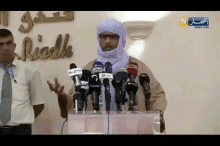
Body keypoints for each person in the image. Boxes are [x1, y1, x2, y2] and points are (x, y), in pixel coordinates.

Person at [47, 19, 167, 129]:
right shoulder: (90, 69)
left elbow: (157, 95)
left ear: (121, 39)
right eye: (103, 37)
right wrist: (62, 97)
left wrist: (155, 117)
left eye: (113, 37)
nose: (108, 41)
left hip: (132, 129)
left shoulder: (136, 67)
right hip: (97, 129)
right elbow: (76, 101)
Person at [0, 29, 44, 135]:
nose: (5, 47)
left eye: (8, 43)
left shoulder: (29, 71)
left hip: (21, 131)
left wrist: (22, 120)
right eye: (1, 44)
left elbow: (38, 104)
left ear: (14, 46)